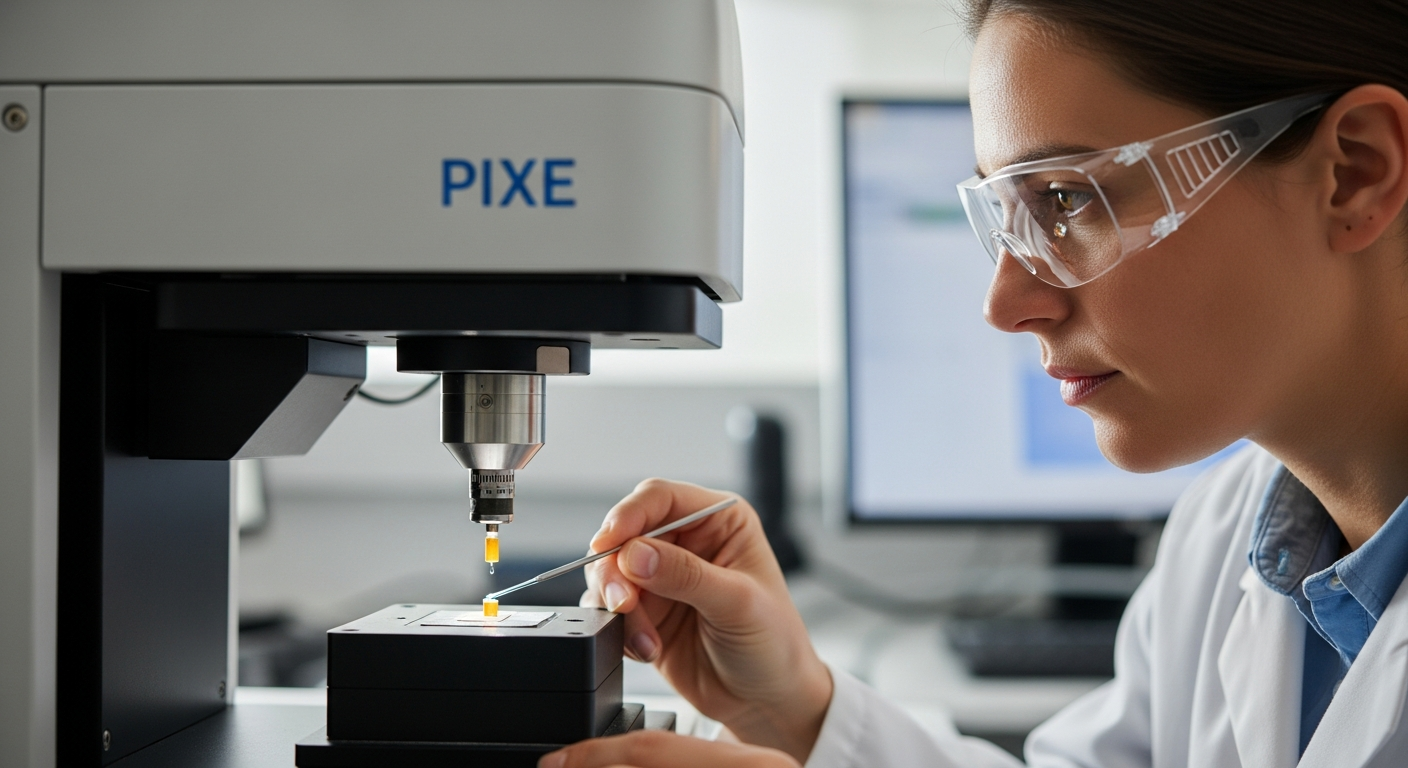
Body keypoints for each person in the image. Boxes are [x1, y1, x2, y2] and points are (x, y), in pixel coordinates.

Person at [539, 1, 1408, 765]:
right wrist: (793, 705)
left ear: (1355, 173)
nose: (1004, 304)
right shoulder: (1234, 541)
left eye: (1066, 200)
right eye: (1005, 214)